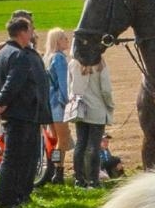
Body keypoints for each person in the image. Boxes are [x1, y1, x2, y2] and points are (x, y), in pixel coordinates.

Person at [0, 16, 51, 208]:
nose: (33, 33)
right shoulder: (19, 55)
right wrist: (0, 104)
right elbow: (12, 83)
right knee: (16, 159)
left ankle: (21, 196)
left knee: (25, 158)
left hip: (24, 114)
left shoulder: (4, 53)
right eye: (31, 29)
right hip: (22, 114)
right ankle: (7, 203)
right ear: (23, 31)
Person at [66, 51, 116, 187]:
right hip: (97, 109)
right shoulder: (99, 64)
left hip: (80, 109)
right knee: (94, 145)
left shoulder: (73, 64)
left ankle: (79, 179)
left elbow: (70, 88)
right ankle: (93, 180)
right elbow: (106, 90)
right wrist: (110, 105)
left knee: (80, 143)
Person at [43, 27, 72, 185]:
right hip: (59, 105)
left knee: (55, 139)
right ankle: (58, 171)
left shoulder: (47, 57)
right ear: (57, 41)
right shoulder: (59, 59)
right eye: (63, 38)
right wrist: (69, 102)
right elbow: (64, 84)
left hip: (49, 103)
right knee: (63, 139)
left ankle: (54, 169)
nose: (67, 40)